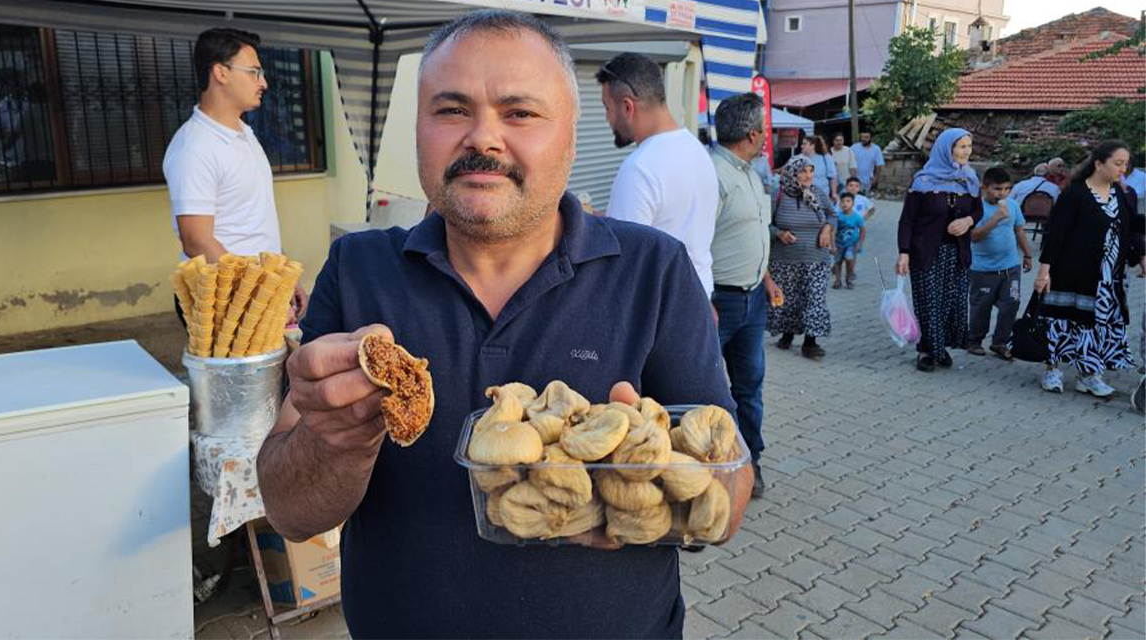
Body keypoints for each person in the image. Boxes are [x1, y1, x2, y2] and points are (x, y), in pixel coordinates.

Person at [255, 11, 753, 638]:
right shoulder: (359, 272)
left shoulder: (654, 271)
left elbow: (729, 499)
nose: (483, 138)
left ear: (570, 137)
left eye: (519, 113)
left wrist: (650, 470)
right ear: (419, 131)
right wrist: (336, 440)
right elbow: (289, 511)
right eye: (451, 110)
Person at [164, 27, 305, 320]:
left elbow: (257, 218)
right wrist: (254, 294)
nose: (263, 82)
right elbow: (196, 241)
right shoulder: (195, 146)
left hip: (258, 290)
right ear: (221, 72)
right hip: (222, 297)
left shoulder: (244, 133)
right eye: (254, 72)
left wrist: (283, 277)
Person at [709, 92, 781, 499]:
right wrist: (702, 299)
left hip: (754, 300)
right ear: (753, 134)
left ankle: (750, 460)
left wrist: (767, 278)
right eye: (764, 131)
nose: (766, 137)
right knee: (704, 388)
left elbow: (751, 237)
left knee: (749, 387)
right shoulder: (712, 175)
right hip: (718, 302)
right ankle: (709, 466)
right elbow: (695, 242)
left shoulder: (752, 176)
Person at [599, 52, 719, 297]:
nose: (607, 119)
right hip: (698, 295)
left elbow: (623, 259)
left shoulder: (640, 168)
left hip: (659, 308)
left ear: (627, 106)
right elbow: (674, 222)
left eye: (607, 108)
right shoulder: (696, 150)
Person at [1034, 140, 1145, 397]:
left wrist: (1140, 253)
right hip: (1070, 271)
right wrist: (1043, 272)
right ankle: (1052, 370)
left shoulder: (1119, 193)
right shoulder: (1075, 194)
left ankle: (1089, 374)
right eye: (1117, 163)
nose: (1123, 169)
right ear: (1098, 164)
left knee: (1096, 324)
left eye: (1125, 164)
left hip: (1107, 275)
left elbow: (1131, 225)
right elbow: (1055, 235)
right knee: (1061, 320)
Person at [896, 128, 983, 372]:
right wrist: (904, 251)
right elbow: (907, 220)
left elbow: (978, 210)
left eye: (969, 146)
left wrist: (968, 222)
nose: (968, 151)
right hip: (925, 252)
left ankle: (939, 346)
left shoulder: (970, 178)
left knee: (950, 303)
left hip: (957, 253)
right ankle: (926, 350)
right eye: (962, 146)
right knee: (928, 302)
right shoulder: (923, 181)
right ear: (947, 149)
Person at [768, 154, 836, 359]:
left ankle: (810, 342)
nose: (808, 176)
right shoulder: (777, 194)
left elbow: (832, 215)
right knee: (790, 300)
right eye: (802, 171)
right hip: (785, 261)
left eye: (811, 171)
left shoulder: (818, 193)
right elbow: (764, 224)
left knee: (814, 299)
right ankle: (788, 334)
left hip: (816, 259)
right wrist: (779, 233)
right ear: (792, 173)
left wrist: (826, 229)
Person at [967, 167, 1032, 360]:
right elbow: (975, 237)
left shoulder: (1012, 205)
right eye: (997, 189)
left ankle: (1000, 342)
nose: (1002, 193)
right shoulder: (976, 207)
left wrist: (1028, 255)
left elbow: (1019, 230)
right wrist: (994, 219)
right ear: (984, 187)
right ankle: (975, 340)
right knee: (981, 306)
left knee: (1011, 304)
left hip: (1010, 267)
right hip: (983, 270)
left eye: (1006, 189)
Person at [831, 192, 865, 290]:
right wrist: (832, 245)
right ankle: (837, 280)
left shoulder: (857, 217)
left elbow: (863, 231)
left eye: (848, 201)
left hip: (851, 244)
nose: (845, 204)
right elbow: (833, 231)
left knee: (849, 260)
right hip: (839, 244)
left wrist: (859, 243)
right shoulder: (837, 216)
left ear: (853, 204)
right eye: (842, 202)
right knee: (837, 262)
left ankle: (849, 279)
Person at [799, 135, 838, 204]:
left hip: (822, 198)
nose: (802, 146)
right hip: (803, 199)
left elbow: (833, 177)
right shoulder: (799, 159)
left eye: (804, 144)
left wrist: (834, 193)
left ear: (812, 146)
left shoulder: (825, 157)